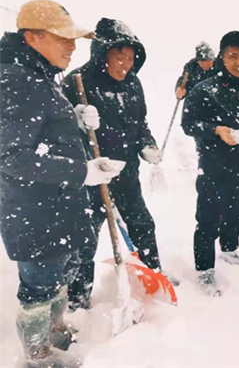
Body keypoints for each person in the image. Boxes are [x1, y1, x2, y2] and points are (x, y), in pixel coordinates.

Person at [0, 0, 123, 367]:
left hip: (51, 206)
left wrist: (73, 117)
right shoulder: (16, 80)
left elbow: (42, 133)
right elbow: (12, 157)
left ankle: (54, 332)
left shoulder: (37, 74)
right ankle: (36, 354)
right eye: (63, 38)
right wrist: (80, 173)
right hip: (33, 209)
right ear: (33, 37)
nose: (73, 46)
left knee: (54, 280)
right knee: (38, 287)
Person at [62, 17, 163, 310]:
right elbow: (58, 131)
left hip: (127, 174)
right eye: (119, 55)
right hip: (91, 178)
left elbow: (139, 123)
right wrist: (76, 118)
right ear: (101, 53)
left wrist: (147, 144)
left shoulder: (133, 84)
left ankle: (153, 276)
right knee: (85, 240)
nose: (125, 63)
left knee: (143, 225)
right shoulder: (77, 81)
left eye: (131, 57)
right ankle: (78, 301)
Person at [182, 31, 239, 296]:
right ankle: (204, 269)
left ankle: (229, 249)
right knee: (207, 219)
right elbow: (188, 124)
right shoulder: (204, 89)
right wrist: (217, 130)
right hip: (214, 167)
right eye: (233, 56)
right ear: (222, 57)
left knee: (235, 213)